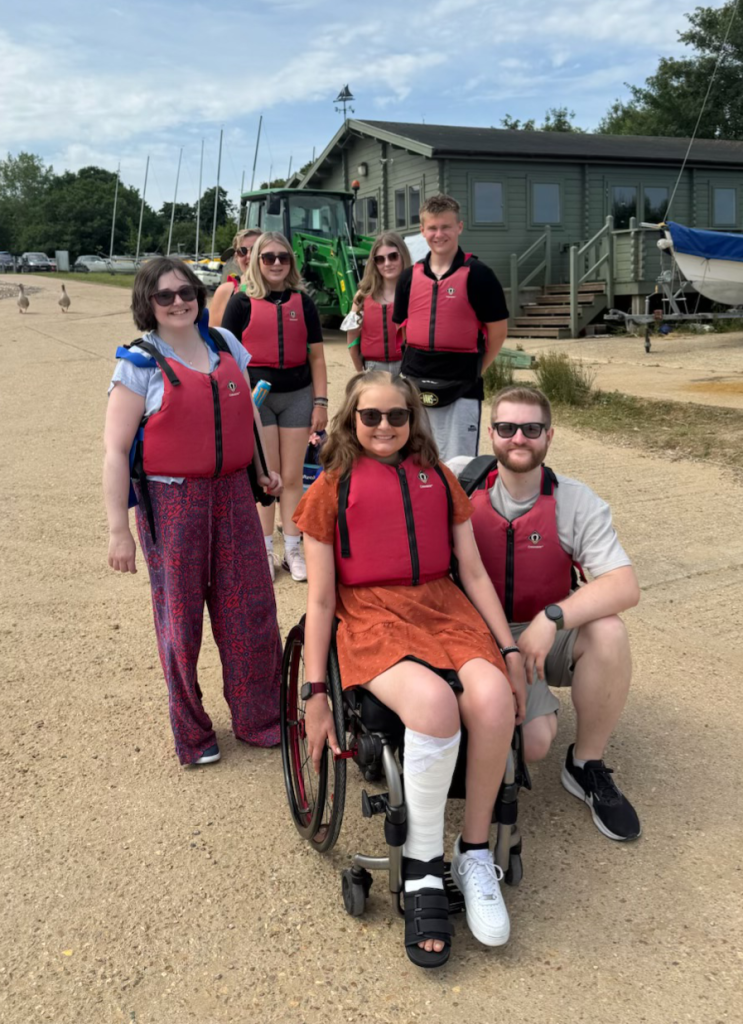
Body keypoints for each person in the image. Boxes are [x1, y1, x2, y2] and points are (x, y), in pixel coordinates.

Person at [294, 370, 527, 969]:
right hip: (370, 614)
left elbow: (472, 572)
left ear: (412, 419)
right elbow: (319, 601)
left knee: (495, 700)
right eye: (370, 416)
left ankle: (474, 852)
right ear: (351, 420)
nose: (384, 427)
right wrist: (315, 692)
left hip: (442, 606)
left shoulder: (440, 479)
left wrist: (510, 652)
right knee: (433, 705)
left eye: (397, 416)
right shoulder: (331, 490)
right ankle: (423, 868)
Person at [103, 257, 283, 767]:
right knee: (180, 620)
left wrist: (261, 471)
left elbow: (243, 412)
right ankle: (192, 732)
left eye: (187, 291)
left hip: (232, 495)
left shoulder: (226, 345)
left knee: (251, 608)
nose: (179, 301)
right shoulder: (138, 365)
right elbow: (116, 451)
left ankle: (258, 717)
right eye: (165, 295)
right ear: (148, 303)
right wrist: (120, 531)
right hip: (172, 500)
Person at [450, 385, 642, 841]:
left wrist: (551, 617)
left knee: (608, 631)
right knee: (535, 742)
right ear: (491, 433)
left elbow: (624, 584)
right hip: (477, 631)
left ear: (549, 436)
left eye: (531, 429)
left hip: (541, 629)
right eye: (506, 427)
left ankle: (586, 763)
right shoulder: (458, 479)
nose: (519, 438)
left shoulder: (575, 501)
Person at [221, 231, 328, 583]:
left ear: (291, 261)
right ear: (255, 262)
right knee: (268, 477)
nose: (277, 263)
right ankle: (264, 547)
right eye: (268, 257)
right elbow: (225, 359)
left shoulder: (303, 301)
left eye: (283, 257)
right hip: (257, 401)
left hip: (297, 394)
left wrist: (320, 402)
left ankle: (292, 548)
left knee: (294, 476)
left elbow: (317, 357)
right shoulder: (241, 303)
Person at [392, 193, 509, 463]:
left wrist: (477, 369)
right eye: (432, 227)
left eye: (446, 226)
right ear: (422, 230)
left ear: (459, 227)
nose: (439, 234)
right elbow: (402, 329)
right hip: (415, 380)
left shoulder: (479, 274)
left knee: (458, 465)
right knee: (415, 460)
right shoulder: (409, 277)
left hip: (462, 383)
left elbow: (498, 332)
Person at [346, 232, 410, 375]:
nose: (387, 264)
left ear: (403, 256)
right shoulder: (362, 297)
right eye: (380, 259)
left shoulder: (415, 293)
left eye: (393, 257)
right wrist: (361, 373)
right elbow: (352, 341)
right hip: (373, 368)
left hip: (407, 367)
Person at [208, 228, 262, 328]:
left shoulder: (281, 291)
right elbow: (214, 337)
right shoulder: (225, 292)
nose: (249, 256)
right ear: (236, 258)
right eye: (242, 251)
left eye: (256, 250)